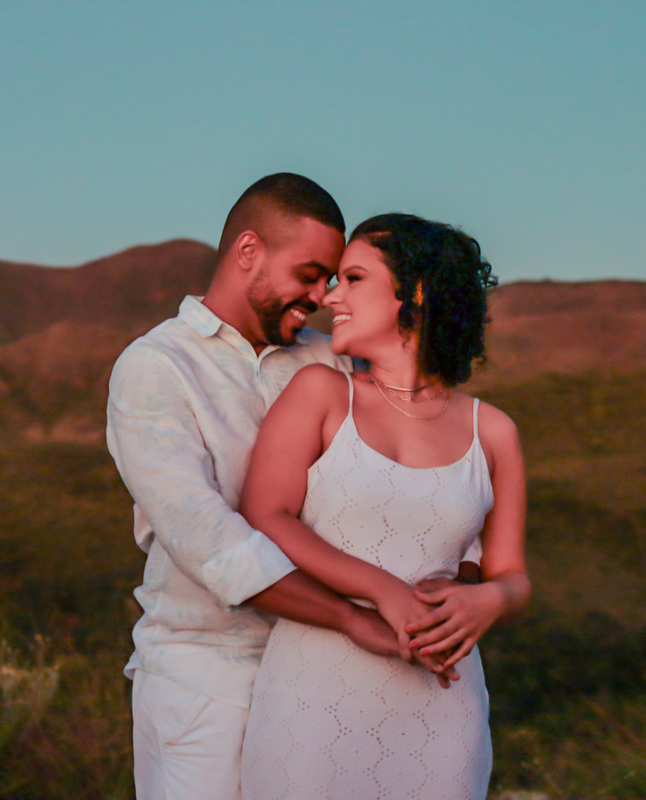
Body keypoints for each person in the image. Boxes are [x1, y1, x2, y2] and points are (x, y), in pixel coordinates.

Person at [107, 178, 466, 800]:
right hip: (207, 678)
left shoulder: (333, 363)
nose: (323, 297)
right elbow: (211, 544)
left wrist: (465, 580)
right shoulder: (156, 367)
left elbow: (417, 465)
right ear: (248, 251)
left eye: (334, 279)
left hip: (327, 680)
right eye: (310, 273)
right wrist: (351, 618)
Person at [239, 213, 531, 799]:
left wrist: (488, 600)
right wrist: (383, 590)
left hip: (442, 708)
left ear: (414, 291)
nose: (330, 297)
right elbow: (265, 516)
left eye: (352, 278)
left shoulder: (493, 431)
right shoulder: (321, 393)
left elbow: (513, 576)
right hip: (314, 700)